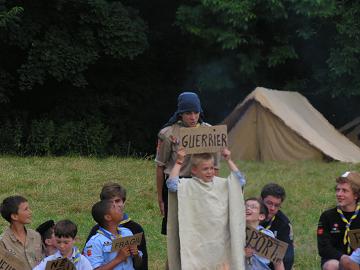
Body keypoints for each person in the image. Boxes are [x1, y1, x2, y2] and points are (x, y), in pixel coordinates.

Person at [166, 147, 245, 269]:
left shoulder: (222, 184)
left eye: (212, 168)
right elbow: (171, 185)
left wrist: (228, 159)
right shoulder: (188, 185)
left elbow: (240, 181)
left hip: (219, 239)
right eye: (205, 169)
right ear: (194, 170)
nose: (210, 172)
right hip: (197, 240)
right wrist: (179, 161)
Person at [155, 91, 220, 235]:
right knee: (176, 233)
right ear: (180, 114)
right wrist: (160, 197)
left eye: (196, 112)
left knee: (200, 230)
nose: (193, 117)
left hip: (201, 184)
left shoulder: (210, 132)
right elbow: (160, 166)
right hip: (176, 186)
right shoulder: (168, 134)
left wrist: (214, 190)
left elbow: (215, 166)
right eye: (188, 113)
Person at [84, 182, 148, 270]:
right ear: (107, 216)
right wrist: (118, 259)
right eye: (112, 205)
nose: (118, 207)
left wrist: (136, 254)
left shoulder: (129, 232)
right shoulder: (96, 240)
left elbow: (140, 264)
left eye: (118, 201)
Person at [317, 171, 360, 270]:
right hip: (335, 259)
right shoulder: (327, 216)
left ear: (356, 195)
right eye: (337, 190)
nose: (339, 194)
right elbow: (323, 247)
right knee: (331, 266)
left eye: (344, 191)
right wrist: (343, 258)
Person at [0, 195, 43, 269]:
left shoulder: (36, 235)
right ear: (14, 216)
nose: (30, 212)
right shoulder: (3, 242)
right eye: (26, 209)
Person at [260, 183, 294, 270]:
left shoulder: (283, 223)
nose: (272, 208)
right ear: (261, 199)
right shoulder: (248, 215)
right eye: (269, 203)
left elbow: (287, 257)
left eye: (277, 205)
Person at [245, 197, 285, 270]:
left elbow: (278, 263)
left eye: (253, 207)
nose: (247, 208)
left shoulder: (267, 234)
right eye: (245, 206)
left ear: (261, 216)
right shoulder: (235, 233)